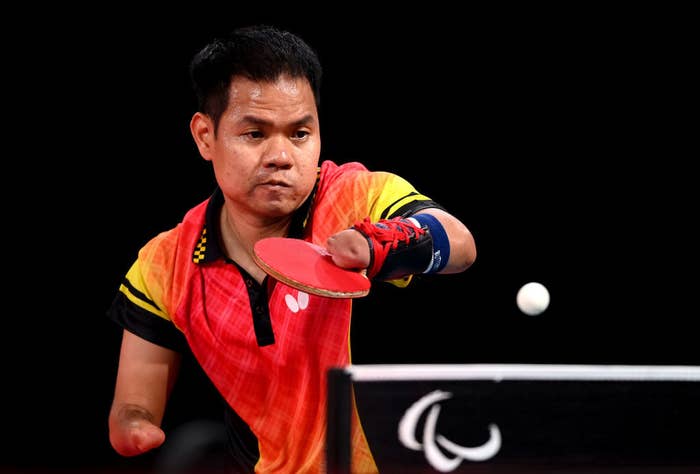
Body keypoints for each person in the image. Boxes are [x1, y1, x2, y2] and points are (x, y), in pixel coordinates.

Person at [106, 24, 477, 474]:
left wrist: (378, 246)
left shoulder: (356, 197)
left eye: (300, 133)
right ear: (206, 136)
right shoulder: (167, 262)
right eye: (255, 134)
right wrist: (134, 424)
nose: (281, 155)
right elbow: (133, 402)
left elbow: (458, 243)